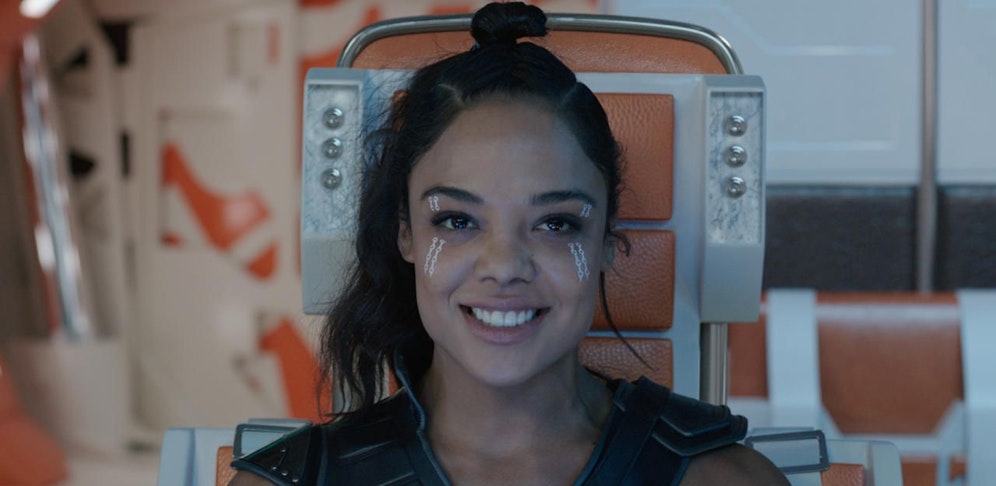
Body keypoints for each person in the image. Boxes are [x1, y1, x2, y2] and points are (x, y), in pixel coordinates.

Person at [230, 2, 787, 484]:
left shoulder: (725, 479)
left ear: (606, 242)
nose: (503, 266)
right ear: (405, 233)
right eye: (456, 221)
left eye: (555, 224)